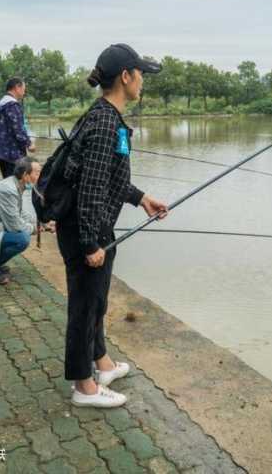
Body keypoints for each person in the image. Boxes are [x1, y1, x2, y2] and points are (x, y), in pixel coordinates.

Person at [56, 43, 168, 408]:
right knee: (85, 305)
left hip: (95, 225)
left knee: (97, 300)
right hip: (86, 228)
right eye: (141, 75)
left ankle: (101, 362)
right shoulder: (105, 122)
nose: (143, 82)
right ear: (125, 76)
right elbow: (90, 188)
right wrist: (90, 244)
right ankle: (83, 386)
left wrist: (141, 198)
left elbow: (108, 179)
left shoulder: (106, 116)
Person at [0, 77, 35, 179]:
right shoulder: (13, 105)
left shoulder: (1, 104)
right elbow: (18, 130)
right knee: (15, 186)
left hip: (1, 153)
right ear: (17, 87)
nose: (24, 92)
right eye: (23, 89)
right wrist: (29, 144)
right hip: (13, 155)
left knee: (8, 184)